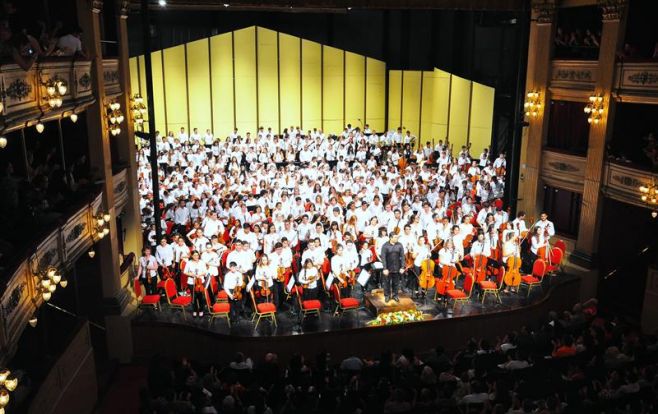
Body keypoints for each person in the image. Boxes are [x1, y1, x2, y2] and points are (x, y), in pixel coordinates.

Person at [380, 232, 405, 303]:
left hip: (397, 267)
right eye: (395, 237)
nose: (397, 238)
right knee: (386, 283)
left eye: (397, 237)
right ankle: (387, 296)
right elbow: (383, 258)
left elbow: (403, 256)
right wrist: (385, 268)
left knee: (396, 283)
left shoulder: (400, 245)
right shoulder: (385, 246)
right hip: (388, 268)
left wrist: (402, 267)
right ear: (390, 238)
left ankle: (395, 295)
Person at [185, 250, 208, 318]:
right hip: (191, 282)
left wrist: (199, 275)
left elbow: (205, 272)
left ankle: (201, 310)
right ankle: (195, 310)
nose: (196, 256)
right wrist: (192, 274)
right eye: (194, 255)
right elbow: (185, 272)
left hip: (200, 281)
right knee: (194, 297)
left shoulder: (202, 262)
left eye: (197, 255)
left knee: (200, 297)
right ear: (192, 256)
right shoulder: (189, 263)